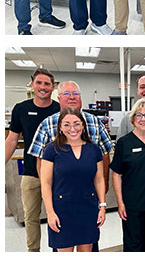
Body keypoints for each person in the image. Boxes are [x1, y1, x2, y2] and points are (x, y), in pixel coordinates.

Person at [5, 68, 59, 252]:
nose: (43, 87)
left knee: (59, 214)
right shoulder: (21, 109)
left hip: (57, 174)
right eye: (39, 83)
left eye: (47, 84)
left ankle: (60, 249)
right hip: (31, 173)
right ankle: (33, 251)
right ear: (32, 85)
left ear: (53, 87)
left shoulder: (59, 109)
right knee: (31, 217)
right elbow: (12, 139)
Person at [41, 107, 106, 252]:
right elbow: (45, 183)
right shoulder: (51, 150)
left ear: (83, 125)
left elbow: (99, 179)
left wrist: (102, 206)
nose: (72, 128)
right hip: (62, 210)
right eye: (66, 124)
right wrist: (50, 213)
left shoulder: (94, 150)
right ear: (60, 127)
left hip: (87, 209)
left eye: (76, 123)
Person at [28, 81, 112, 190]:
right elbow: (40, 159)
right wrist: (47, 188)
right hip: (60, 190)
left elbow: (105, 155)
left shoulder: (95, 122)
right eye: (66, 94)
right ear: (59, 98)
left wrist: (104, 183)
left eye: (76, 94)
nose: (72, 97)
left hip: (90, 188)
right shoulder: (46, 125)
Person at [110, 98, 145, 251]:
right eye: (139, 115)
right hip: (132, 205)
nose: (143, 119)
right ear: (133, 119)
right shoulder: (124, 142)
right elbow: (116, 174)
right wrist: (120, 203)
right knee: (133, 245)